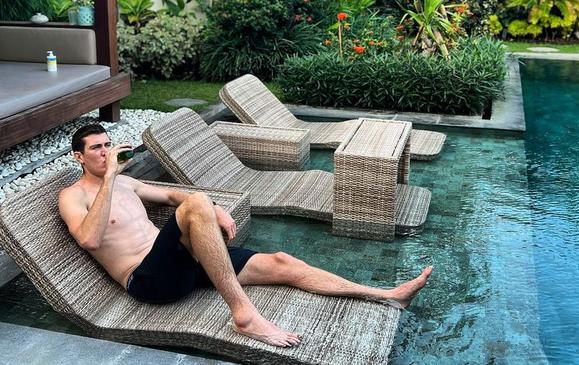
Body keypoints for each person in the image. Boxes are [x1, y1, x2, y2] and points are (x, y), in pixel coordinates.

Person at [58, 124, 433, 348]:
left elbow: (173, 195)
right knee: (198, 202)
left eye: (108, 145)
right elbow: (90, 238)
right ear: (79, 157)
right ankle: (244, 315)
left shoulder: (127, 182)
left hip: (181, 263)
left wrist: (213, 209)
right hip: (149, 280)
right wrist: (108, 180)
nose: (106, 153)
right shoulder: (72, 197)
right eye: (97, 148)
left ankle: (387, 295)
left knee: (283, 262)